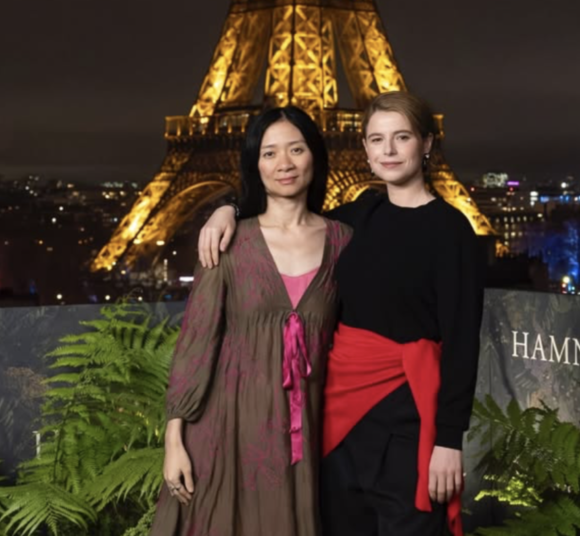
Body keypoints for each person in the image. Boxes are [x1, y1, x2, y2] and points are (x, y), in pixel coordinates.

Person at [197, 91, 483, 536]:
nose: (389, 150)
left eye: (402, 137)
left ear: (426, 144)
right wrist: (227, 209)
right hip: (338, 409)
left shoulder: (452, 230)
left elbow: (462, 341)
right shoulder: (358, 216)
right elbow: (287, 212)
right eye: (377, 139)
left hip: (407, 410)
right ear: (365, 148)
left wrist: (448, 441)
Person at [150, 106, 352, 536]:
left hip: (307, 434)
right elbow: (196, 343)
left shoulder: (344, 242)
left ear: (315, 155)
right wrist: (174, 441)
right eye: (269, 153)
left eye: (296, 149)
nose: (284, 164)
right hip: (227, 427)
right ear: (254, 165)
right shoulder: (228, 241)